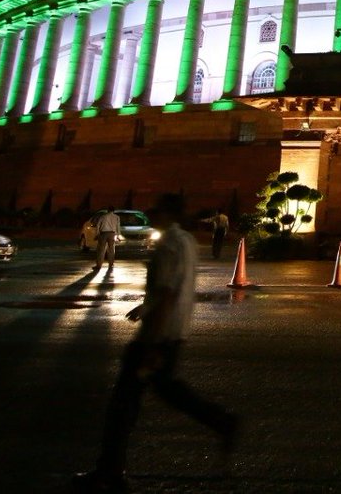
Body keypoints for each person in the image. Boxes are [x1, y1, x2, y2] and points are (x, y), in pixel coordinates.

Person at [74, 194, 238, 493]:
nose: (152, 214)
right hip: (174, 332)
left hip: (156, 337)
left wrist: (150, 342)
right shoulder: (187, 241)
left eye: (157, 211)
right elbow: (174, 289)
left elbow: (166, 293)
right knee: (167, 391)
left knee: (122, 407)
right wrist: (146, 308)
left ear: (168, 214)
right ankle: (222, 422)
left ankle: (110, 472)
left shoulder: (168, 245)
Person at [93, 206, 121, 273]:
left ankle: (99, 265)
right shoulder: (117, 217)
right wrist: (118, 235)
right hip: (112, 234)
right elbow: (118, 227)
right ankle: (111, 264)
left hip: (103, 234)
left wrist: (97, 234)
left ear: (108, 210)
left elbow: (98, 225)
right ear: (114, 210)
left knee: (101, 250)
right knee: (111, 250)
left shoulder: (103, 216)